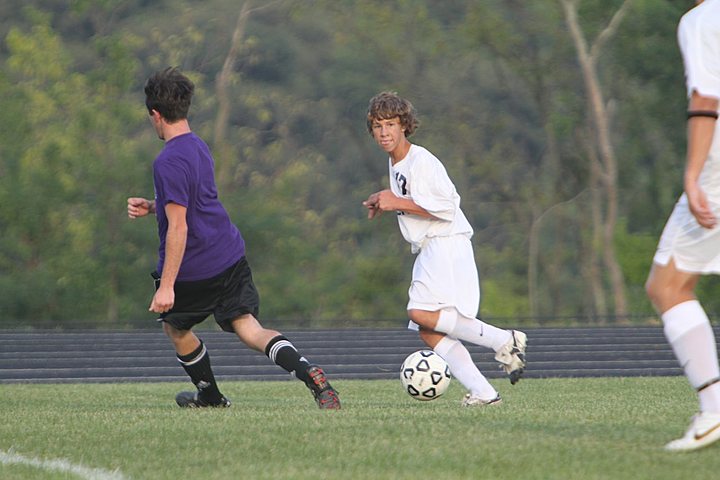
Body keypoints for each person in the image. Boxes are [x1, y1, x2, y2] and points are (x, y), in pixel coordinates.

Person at [128, 67, 340, 409]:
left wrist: (167, 286)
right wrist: (155, 206)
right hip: (229, 254)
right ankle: (308, 372)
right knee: (250, 328)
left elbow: (180, 227)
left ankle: (210, 397)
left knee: (177, 329)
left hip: (194, 269)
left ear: (155, 113)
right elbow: (195, 203)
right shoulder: (198, 146)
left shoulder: (167, 161)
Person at [362, 92, 527, 406]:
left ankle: (504, 340)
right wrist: (387, 199)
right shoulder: (396, 161)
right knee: (429, 331)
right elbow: (414, 202)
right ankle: (485, 393)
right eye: (378, 125)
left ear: (404, 126)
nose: (384, 132)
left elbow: (446, 207)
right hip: (430, 247)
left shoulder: (420, 160)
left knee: (419, 313)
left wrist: (394, 201)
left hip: (445, 244)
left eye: (391, 125)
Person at [645, 0, 720, 452]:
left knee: (668, 285)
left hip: (717, 169)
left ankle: (714, 410)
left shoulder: (701, 19)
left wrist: (692, 176)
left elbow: (707, 98)